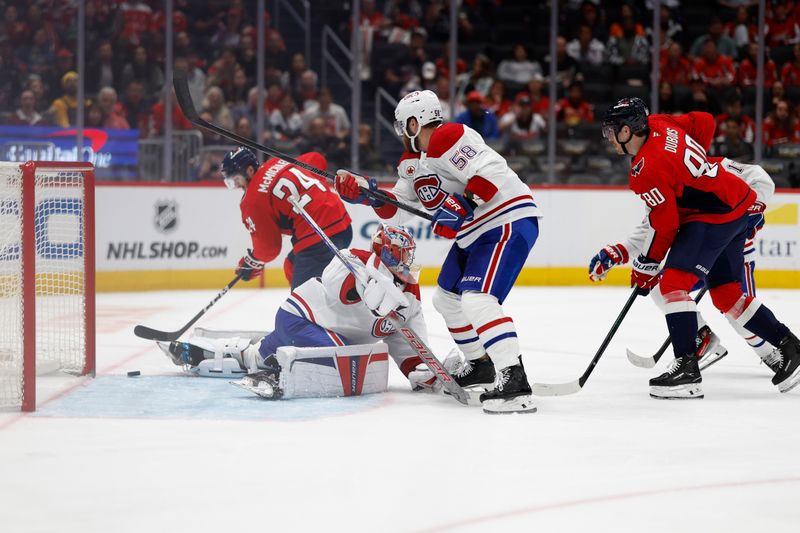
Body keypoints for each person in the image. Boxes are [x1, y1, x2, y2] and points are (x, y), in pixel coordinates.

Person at [334, 90, 542, 414]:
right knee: (445, 298)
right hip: (474, 233)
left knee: (477, 300)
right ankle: (480, 365)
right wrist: (369, 195)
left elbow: (492, 171)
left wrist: (465, 203)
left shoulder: (449, 136)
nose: (402, 135)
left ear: (415, 123)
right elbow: (399, 209)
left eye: (404, 127)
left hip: (504, 220)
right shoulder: (413, 165)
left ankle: (515, 381)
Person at [596, 97, 800, 399]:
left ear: (628, 130)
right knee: (727, 293)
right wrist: (695, 166)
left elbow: (665, 226)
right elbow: (704, 120)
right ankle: (790, 346)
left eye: (613, 131)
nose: (610, 138)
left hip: (713, 215)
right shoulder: (659, 124)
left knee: (672, 285)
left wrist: (648, 264)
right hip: (734, 204)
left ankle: (687, 370)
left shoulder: (647, 169)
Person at [159, 224, 440, 398]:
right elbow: (333, 283)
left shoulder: (409, 298)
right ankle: (281, 373)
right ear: (386, 254)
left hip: (317, 333)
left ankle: (206, 354)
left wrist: (420, 371)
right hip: (300, 317)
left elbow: (405, 341)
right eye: (403, 255)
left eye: (409, 255)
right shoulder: (353, 259)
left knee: (258, 357)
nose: (408, 261)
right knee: (348, 360)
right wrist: (364, 288)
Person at [590, 157, 777, 373]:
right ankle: (701, 337)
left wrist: (754, 207)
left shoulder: (713, 166)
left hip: (732, 252)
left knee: (735, 310)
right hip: (699, 252)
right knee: (662, 287)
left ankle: (770, 352)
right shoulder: (659, 186)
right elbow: (651, 226)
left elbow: (761, 179)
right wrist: (619, 251)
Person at [220, 147, 352, 289]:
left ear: (250, 170)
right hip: (342, 224)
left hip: (318, 239)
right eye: (231, 183)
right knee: (292, 265)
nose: (237, 186)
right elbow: (316, 158)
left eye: (236, 180)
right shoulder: (277, 162)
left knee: (303, 301)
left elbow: (269, 248)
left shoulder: (252, 200)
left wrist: (253, 261)